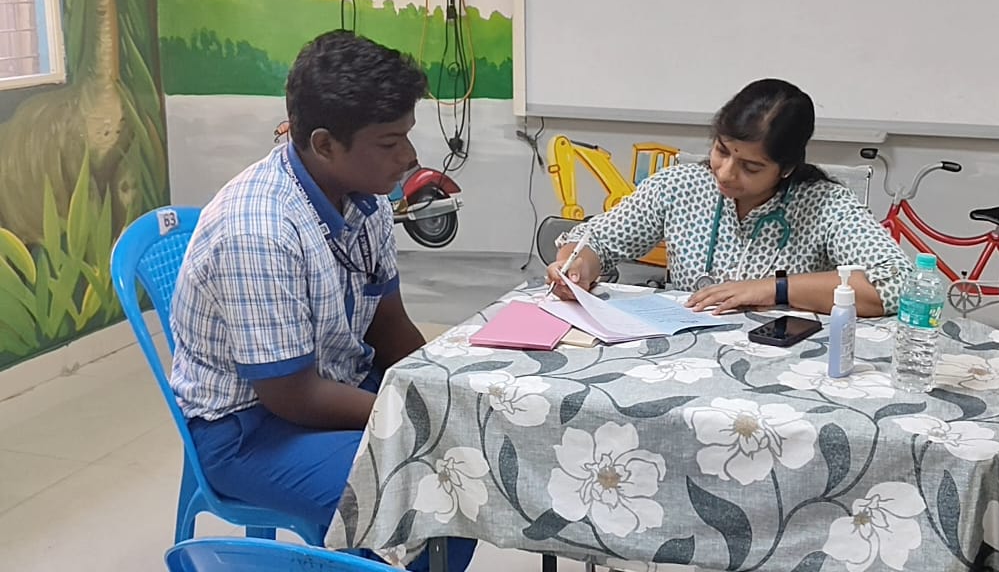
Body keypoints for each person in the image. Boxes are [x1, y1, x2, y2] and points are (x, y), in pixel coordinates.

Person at [169, 30, 476, 571]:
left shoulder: (364, 198)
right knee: (431, 493)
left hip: (333, 384)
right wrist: (413, 412)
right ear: (325, 144)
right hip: (252, 428)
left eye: (407, 136)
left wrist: (445, 389)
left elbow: (390, 326)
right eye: (389, 143)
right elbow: (292, 395)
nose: (408, 157)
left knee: (465, 460)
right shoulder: (260, 230)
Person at [547, 78, 911, 317]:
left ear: (786, 167)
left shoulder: (826, 206)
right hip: (685, 358)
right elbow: (595, 241)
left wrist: (773, 290)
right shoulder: (680, 186)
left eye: (751, 167)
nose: (725, 173)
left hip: (785, 364)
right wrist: (575, 268)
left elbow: (898, 283)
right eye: (721, 151)